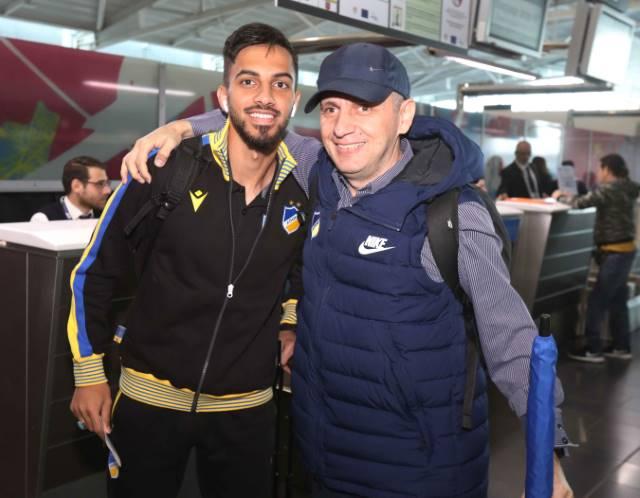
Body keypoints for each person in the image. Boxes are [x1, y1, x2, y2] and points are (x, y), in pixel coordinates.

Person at [122, 43, 574, 498]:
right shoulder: (321, 174)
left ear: (404, 116)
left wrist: (547, 454)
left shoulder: (452, 213)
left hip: (418, 470)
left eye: (365, 107)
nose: (342, 127)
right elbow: (256, 121)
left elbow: (510, 338)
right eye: (331, 109)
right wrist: (181, 128)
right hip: (323, 457)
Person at [68, 23, 309, 498]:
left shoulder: (302, 192)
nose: (265, 96)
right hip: (148, 401)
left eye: (280, 83)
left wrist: (290, 322)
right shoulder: (165, 170)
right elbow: (92, 273)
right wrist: (89, 374)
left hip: (247, 412)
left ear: (294, 100)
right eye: (248, 81)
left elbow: (298, 275)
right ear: (223, 97)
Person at [555, 154, 639, 363]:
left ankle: (593, 349)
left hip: (614, 253)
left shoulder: (608, 190)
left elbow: (581, 203)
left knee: (597, 301)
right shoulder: (629, 187)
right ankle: (621, 346)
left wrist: (560, 197)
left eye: (601, 168)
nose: (599, 173)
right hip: (626, 251)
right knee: (617, 301)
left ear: (607, 169)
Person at [31, 156, 112, 221]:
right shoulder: (45, 219)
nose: (108, 191)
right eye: (100, 184)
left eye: (107, 183)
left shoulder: (106, 217)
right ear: (76, 186)